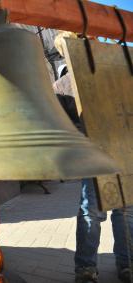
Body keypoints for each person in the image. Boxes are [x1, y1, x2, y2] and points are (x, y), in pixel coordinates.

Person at [53, 31, 133, 283]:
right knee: (92, 212)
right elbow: (64, 128)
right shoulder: (63, 86)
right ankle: (86, 268)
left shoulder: (115, 71)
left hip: (124, 151)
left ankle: (127, 264)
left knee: (125, 210)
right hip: (95, 155)